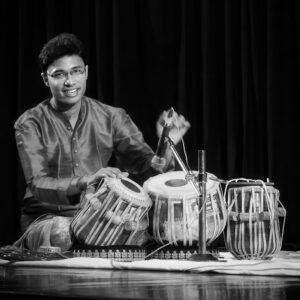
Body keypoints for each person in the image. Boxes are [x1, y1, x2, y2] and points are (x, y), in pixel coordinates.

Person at [13, 33, 190, 252]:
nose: (70, 81)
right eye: (59, 74)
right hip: (47, 218)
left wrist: (165, 144)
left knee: (164, 231)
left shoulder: (112, 116)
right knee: (62, 232)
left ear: (86, 72)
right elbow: (38, 184)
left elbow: (148, 167)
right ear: (45, 79)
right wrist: (87, 181)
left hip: (99, 216)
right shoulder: (30, 123)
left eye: (76, 71)